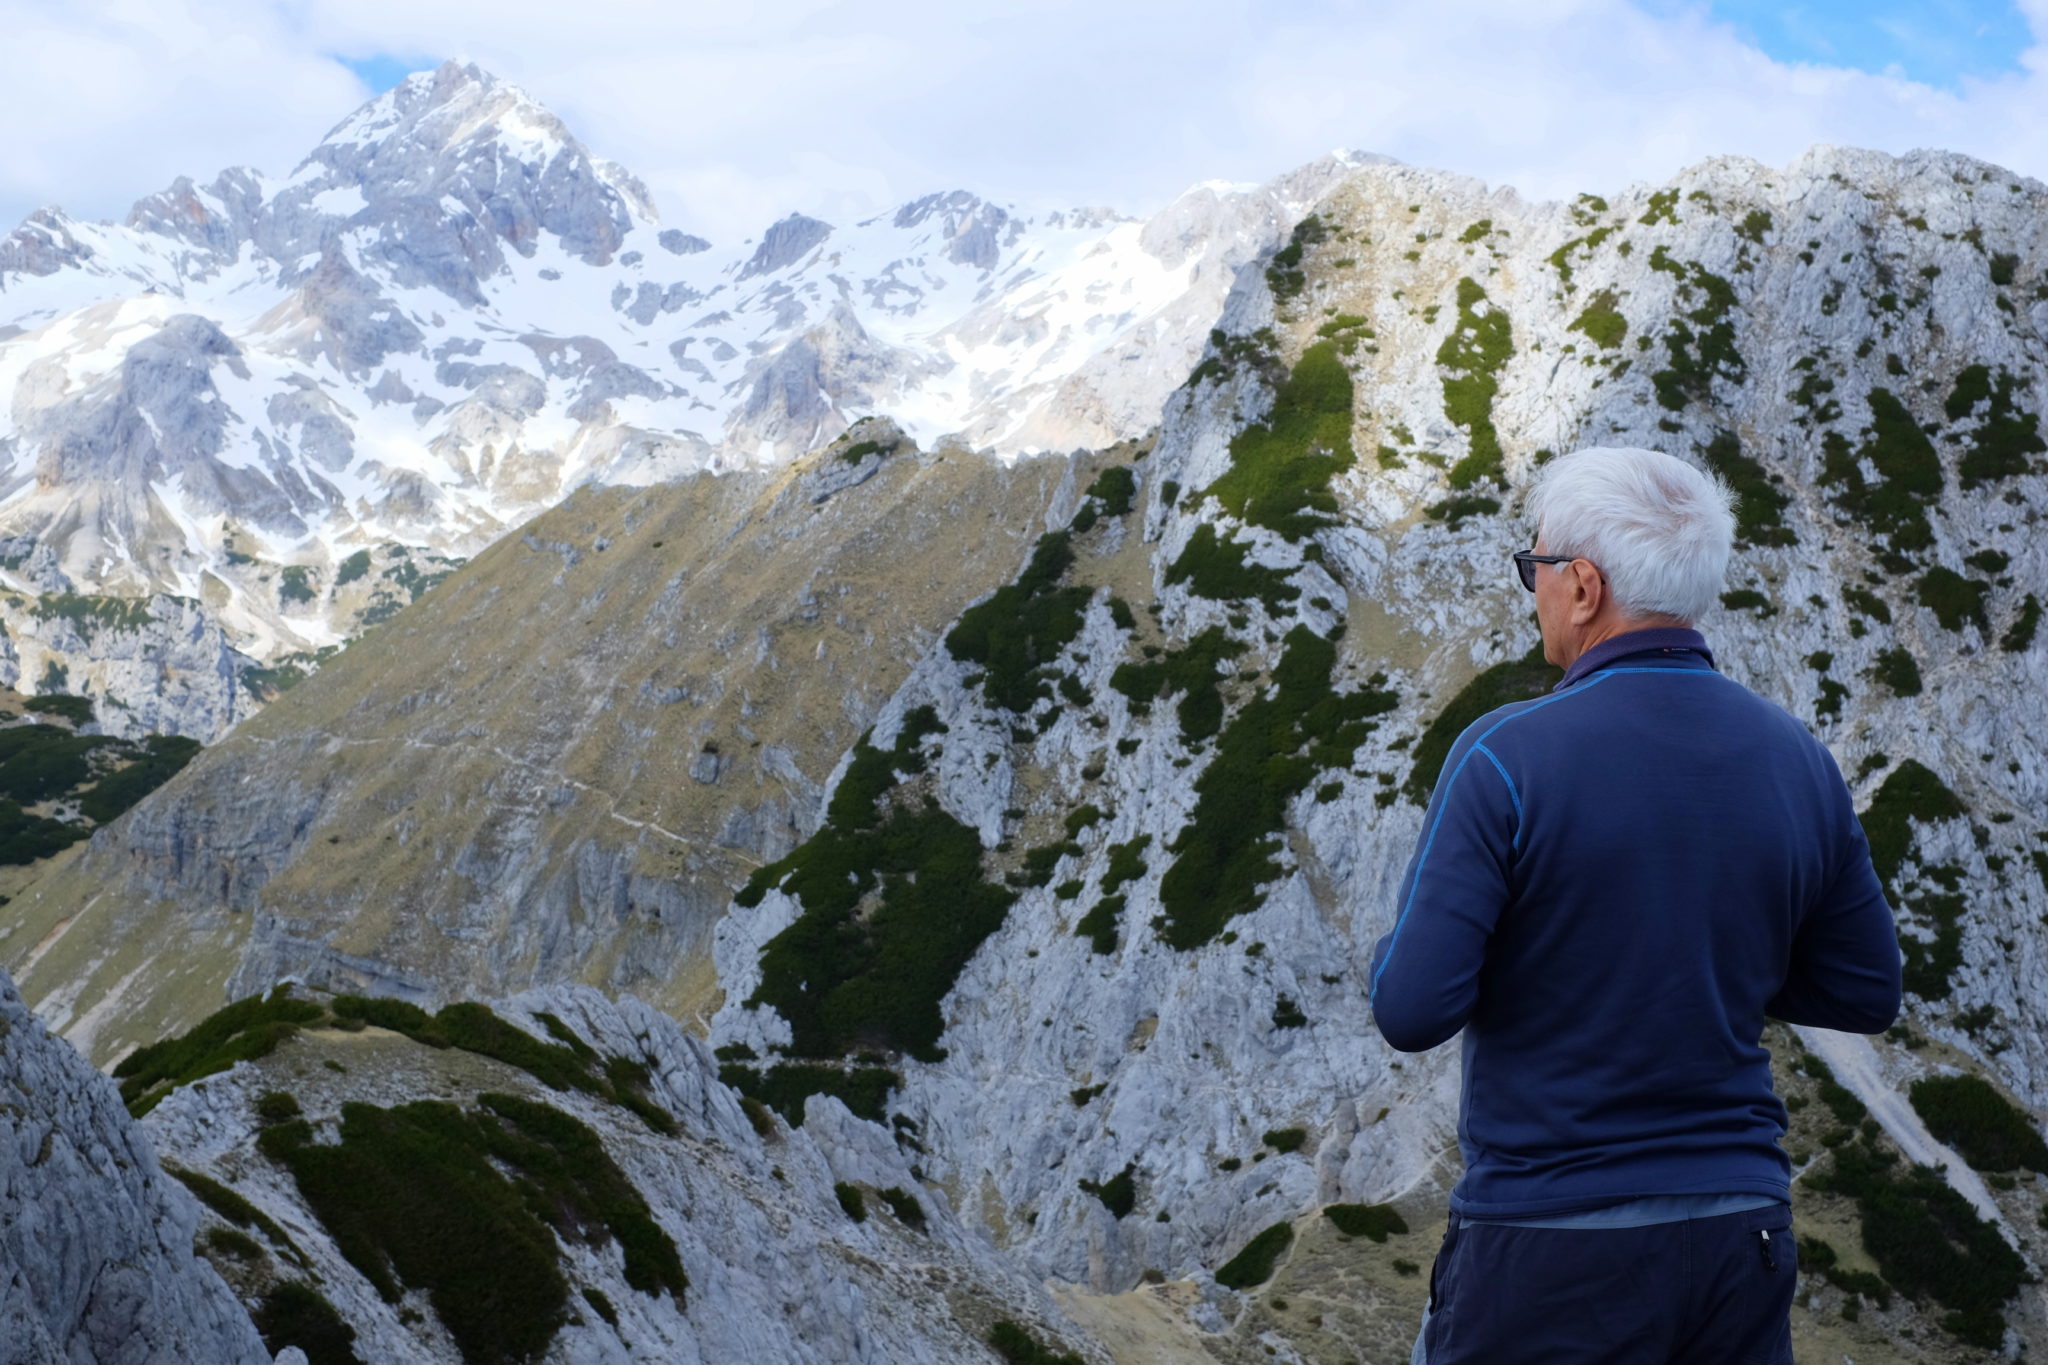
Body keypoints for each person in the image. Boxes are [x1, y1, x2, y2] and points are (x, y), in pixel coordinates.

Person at [1368, 446, 1902, 1364]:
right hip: (1740, 1235)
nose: (1531, 589)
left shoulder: (1505, 755)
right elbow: (1866, 990)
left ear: (1582, 585)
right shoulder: (1797, 757)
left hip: (1551, 1242)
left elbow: (1411, 1009)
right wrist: (1702, 967)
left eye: (1534, 567)